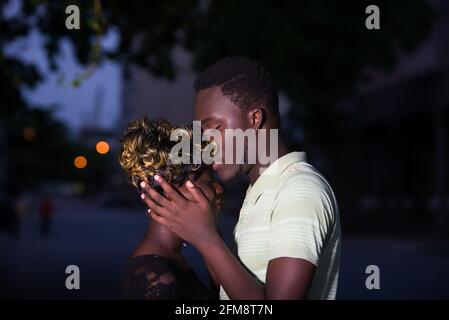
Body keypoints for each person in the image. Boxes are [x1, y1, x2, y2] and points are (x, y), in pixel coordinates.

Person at [140, 56, 341, 300]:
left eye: (213, 129)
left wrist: (205, 237)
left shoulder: (299, 189)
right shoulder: (261, 191)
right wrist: (204, 228)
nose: (204, 145)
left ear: (255, 118)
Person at [119, 117, 223, 300]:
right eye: (209, 182)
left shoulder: (170, 258)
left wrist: (207, 235)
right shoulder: (159, 280)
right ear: (169, 192)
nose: (219, 189)